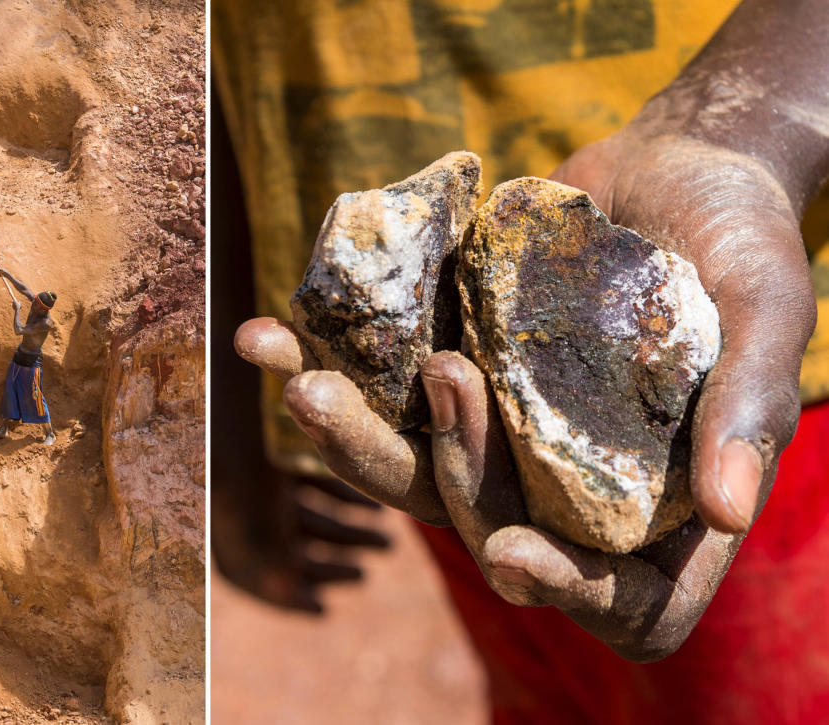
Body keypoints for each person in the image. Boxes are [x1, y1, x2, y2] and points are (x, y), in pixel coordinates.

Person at [215, 0, 829, 722]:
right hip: (432, 397)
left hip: (757, 337)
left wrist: (746, 130)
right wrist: (222, 424)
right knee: (526, 634)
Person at [0, 267, 57, 445]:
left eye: (37, 306)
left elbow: (19, 330)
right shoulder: (37, 303)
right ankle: (4, 429)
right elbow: (23, 288)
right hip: (19, 357)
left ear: (44, 309)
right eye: (34, 302)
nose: (33, 306)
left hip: (32, 363)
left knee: (36, 396)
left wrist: (17, 310)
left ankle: (50, 433)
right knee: (9, 392)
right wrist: (7, 275)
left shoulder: (45, 322)